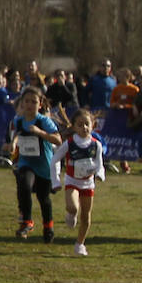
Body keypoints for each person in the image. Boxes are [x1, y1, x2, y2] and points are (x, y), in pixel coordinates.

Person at [8, 87, 63, 241]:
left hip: (44, 165)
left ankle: (48, 226)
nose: (30, 104)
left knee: (43, 198)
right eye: (27, 101)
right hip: (26, 162)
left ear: (40, 104)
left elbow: (58, 140)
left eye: (34, 101)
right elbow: (18, 135)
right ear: (22, 103)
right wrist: (13, 143)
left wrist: (40, 132)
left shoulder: (43, 121)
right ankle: (27, 221)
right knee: (24, 184)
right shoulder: (18, 121)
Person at [50, 109, 105, 256]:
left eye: (87, 124)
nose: (84, 128)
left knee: (86, 216)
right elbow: (55, 159)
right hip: (72, 181)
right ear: (74, 127)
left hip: (88, 183)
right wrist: (55, 180)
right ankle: (70, 214)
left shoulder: (96, 145)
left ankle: (80, 244)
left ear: (93, 125)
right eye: (80, 125)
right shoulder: (69, 144)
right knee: (73, 207)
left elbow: (99, 163)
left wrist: (99, 174)